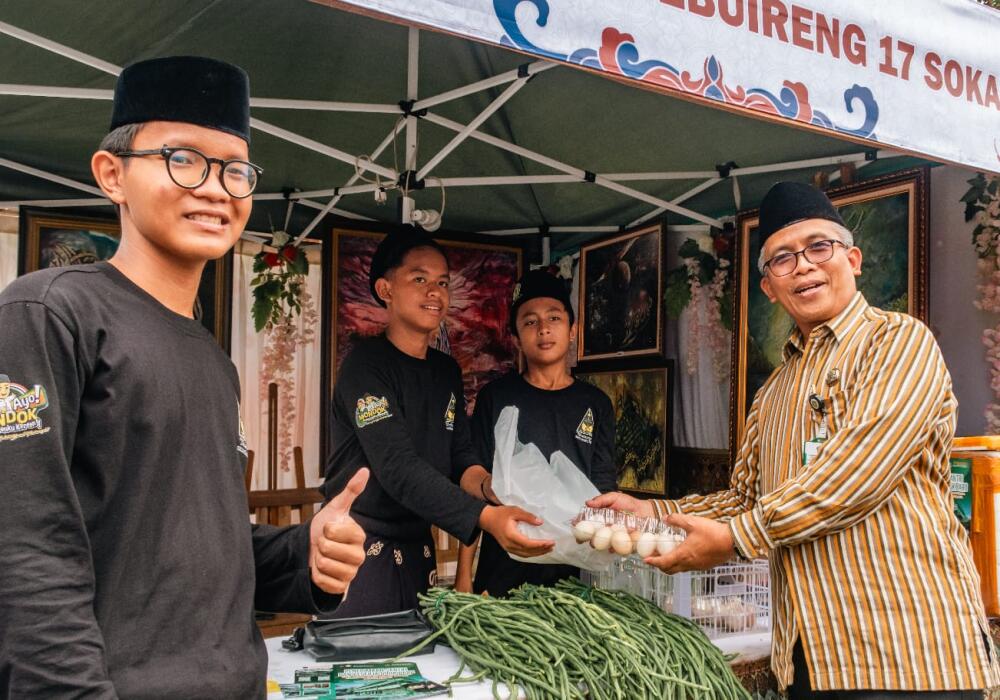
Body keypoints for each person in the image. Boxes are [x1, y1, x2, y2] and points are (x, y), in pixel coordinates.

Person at [0, 56, 369, 699]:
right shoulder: (50, 312)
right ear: (112, 174)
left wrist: (303, 553)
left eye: (235, 169)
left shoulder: (211, 358)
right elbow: (25, 552)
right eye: (183, 159)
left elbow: (194, 545)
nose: (215, 188)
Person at [591, 181, 1000, 697]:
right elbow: (744, 499)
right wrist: (653, 515)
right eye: (782, 259)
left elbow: (857, 475)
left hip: (909, 651)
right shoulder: (775, 391)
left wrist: (736, 539)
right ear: (769, 287)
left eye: (818, 247)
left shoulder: (899, 342)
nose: (803, 265)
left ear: (852, 259)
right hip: (811, 656)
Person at [321, 230, 554, 617]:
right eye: (419, 279)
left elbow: (459, 457)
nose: (435, 291)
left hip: (418, 553)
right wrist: (484, 517)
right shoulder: (365, 366)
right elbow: (397, 468)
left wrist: (491, 487)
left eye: (442, 282)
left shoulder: (445, 370)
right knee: (358, 672)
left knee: (420, 668)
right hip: (357, 548)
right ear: (385, 289)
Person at [455, 269, 617, 596]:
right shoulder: (496, 398)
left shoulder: (596, 404)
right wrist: (463, 577)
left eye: (554, 318)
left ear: (573, 331)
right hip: (502, 571)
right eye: (530, 322)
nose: (543, 329)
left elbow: (603, 492)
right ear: (515, 338)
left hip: (575, 578)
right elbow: (474, 486)